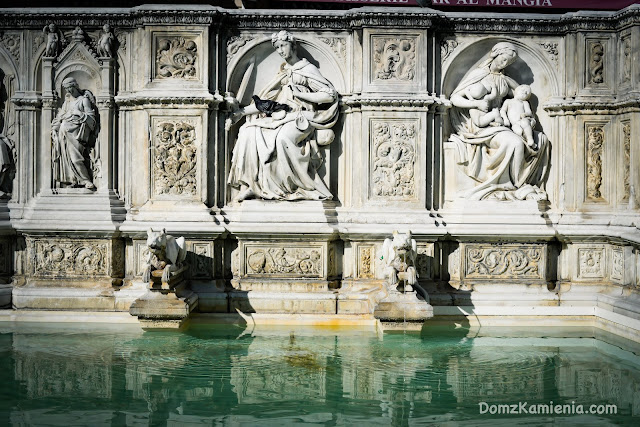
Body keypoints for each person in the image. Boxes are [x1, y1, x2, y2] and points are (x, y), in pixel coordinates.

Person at [227, 30, 339, 202]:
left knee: (282, 139)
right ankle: (252, 185)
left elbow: (329, 95)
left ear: (292, 46)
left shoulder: (306, 70)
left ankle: (295, 187)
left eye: (283, 46)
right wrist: (239, 114)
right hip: (281, 116)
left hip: (301, 118)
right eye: (277, 47)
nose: (280, 50)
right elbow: (267, 102)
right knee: (247, 131)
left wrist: (303, 96)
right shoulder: (284, 73)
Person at [449, 42, 550, 201]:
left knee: (541, 139)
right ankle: (514, 186)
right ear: (495, 54)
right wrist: (475, 103)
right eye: (505, 59)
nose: (506, 63)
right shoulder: (478, 74)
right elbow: (455, 98)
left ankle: (516, 184)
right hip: (481, 124)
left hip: (501, 123)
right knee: (515, 143)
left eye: (510, 62)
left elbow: (521, 94)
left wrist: (525, 115)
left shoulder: (505, 80)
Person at [51, 77, 98, 190]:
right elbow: (60, 118)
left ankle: (86, 180)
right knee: (67, 159)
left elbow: (92, 120)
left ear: (75, 86)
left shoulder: (83, 100)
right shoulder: (67, 102)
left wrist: (79, 114)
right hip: (64, 135)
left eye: (70, 88)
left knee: (76, 159)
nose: (69, 91)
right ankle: (74, 180)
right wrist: (54, 128)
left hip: (77, 134)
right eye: (66, 89)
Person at [500, 84, 536, 149]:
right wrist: (505, 119)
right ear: (516, 90)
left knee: (525, 123)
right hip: (514, 124)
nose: (524, 92)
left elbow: (529, 112)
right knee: (518, 131)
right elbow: (502, 111)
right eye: (522, 90)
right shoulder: (508, 101)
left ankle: (530, 139)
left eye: (527, 93)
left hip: (522, 120)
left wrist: (525, 114)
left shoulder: (524, 103)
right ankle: (529, 143)